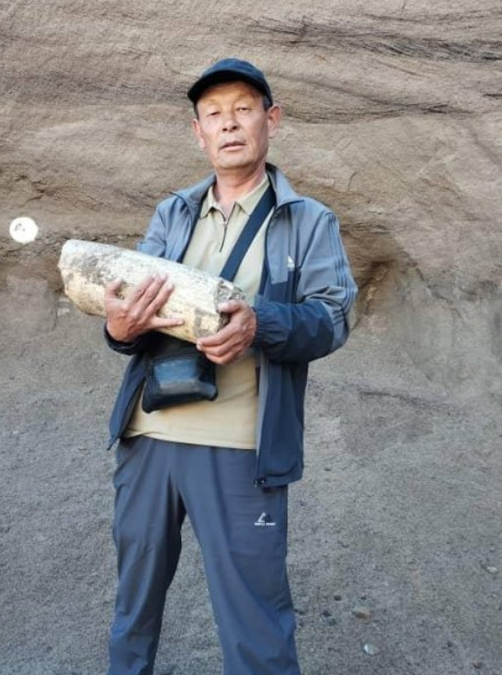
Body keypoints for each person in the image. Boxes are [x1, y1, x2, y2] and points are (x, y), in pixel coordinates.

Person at [99, 58, 357, 674]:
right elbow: (132, 311)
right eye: (213, 114)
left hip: (241, 450)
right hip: (149, 438)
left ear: (272, 120)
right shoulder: (173, 214)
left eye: (243, 109)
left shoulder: (308, 221)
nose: (229, 124)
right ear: (198, 132)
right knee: (132, 611)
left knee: (256, 625)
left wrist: (259, 322)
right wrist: (117, 328)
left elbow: (333, 320)